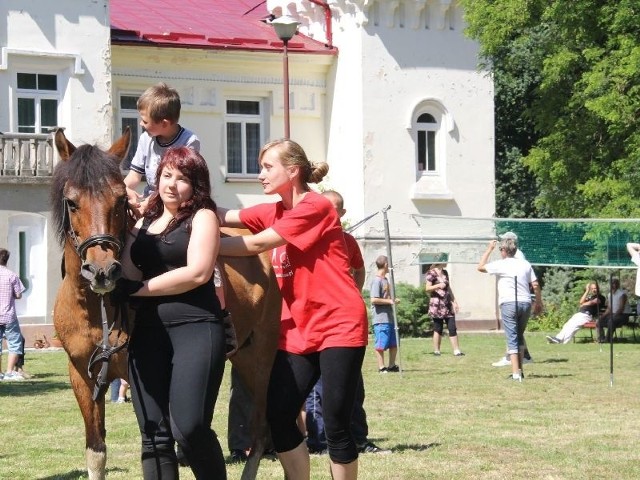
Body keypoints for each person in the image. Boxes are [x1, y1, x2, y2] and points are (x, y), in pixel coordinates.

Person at [217, 139, 368, 480]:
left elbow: (256, 244)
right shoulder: (272, 211)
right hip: (298, 330)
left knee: (335, 422)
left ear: (293, 171)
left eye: (267, 167)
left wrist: (201, 246)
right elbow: (223, 214)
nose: (260, 175)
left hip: (338, 326)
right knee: (278, 412)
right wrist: (176, 202)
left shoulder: (315, 207)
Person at [120, 147, 227, 479]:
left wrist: (138, 290)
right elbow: (126, 272)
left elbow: (197, 273)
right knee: (154, 437)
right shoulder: (144, 221)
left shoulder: (203, 216)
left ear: (197, 186)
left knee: (189, 427)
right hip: (148, 333)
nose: (171, 184)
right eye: (167, 175)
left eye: (182, 179)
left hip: (197, 327)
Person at [304, 190, 388, 455]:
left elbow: (359, 268)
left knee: (353, 388)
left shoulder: (348, 241)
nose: (330, 213)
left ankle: (358, 437)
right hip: (316, 327)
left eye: (335, 209)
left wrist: (354, 290)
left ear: (341, 213)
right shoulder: (305, 238)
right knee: (318, 390)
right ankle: (318, 441)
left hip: (345, 329)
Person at [124, 82, 200, 216]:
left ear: (164, 123)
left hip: (176, 204)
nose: (141, 124)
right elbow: (134, 176)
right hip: (149, 202)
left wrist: (148, 203)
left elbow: (176, 184)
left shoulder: (189, 142)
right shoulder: (145, 139)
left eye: (145, 121)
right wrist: (124, 189)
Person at [477, 239, 542, 381]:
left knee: (512, 337)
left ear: (504, 251)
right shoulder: (525, 264)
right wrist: (538, 302)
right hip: (525, 303)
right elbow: (535, 285)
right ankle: (520, 371)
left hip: (509, 303)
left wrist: (489, 249)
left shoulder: (501, 264)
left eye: (500, 249)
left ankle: (515, 374)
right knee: (519, 336)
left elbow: (480, 267)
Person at [491, 231, 534, 367]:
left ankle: (513, 362)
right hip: (521, 299)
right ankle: (522, 358)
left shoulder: (517, 257)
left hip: (513, 298)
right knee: (516, 333)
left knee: (513, 333)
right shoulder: (516, 256)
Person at [424, 259, 463, 356]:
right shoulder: (431, 273)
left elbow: (448, 288)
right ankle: (437, 351)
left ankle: (456, 350)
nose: (447, 262)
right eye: (445, 260)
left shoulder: (445, 272)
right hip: (436, 304)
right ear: (440, 261)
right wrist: (438, 285)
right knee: (438, 328)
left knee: (452, 327)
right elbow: (427, 288)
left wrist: (454, 302)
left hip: (447, 303)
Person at [370, 255, 400, 373]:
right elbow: (374, 299)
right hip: (380, 318)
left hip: (389, 317)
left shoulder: (386, 280)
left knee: (394, 343)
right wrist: (390, 301)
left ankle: (392, 365)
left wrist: (393, 299)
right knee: (381, 344)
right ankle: (381, 367)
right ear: (386, 265)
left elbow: (387, 297)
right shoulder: (377, 281)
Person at [0, 248, 26, 381]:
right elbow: (19, 294)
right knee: (14, 344)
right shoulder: (12, 275)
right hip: (9, 315)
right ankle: (9, 372)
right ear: (6, 260)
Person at [597, 278, 630, 343]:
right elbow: (609, 309)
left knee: (611, 321)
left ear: (618, 285)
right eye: (611, 283)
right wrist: (602, 316)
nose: (612, 285)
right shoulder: (610, 294)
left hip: (623, 315)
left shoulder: (622, 294)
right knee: (599, 322)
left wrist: (613, 316)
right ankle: (601, 339)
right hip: (613, 315)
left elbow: (621, 308)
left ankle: (608, 339)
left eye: (614, 283)